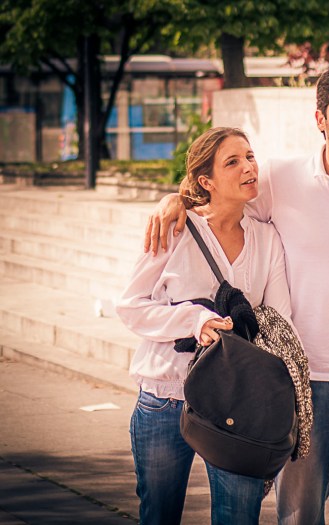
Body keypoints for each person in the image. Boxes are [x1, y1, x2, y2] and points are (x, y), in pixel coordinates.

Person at [146, 65, 329, 525]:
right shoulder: (280, 180)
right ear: (320, 119)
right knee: (298, 517)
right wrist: (175, 200)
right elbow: (217, 194)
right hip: (299, 386)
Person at [117, 127, 294, 524]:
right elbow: (130, 306)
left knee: (238, 517)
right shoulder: (175, 230)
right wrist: (195, 319)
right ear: (206, 181)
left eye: (249, 157)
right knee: (158, 515)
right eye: (232, 162)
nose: (248, 167)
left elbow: (279, 321)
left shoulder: (268, 240)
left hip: (235, 406)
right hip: (166, 397)